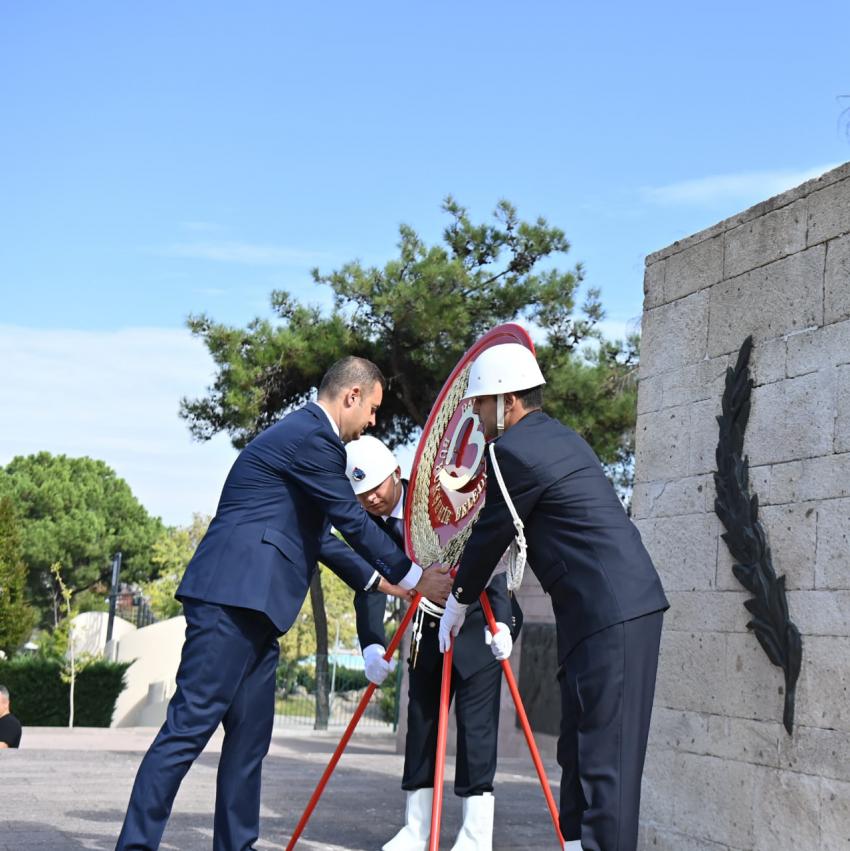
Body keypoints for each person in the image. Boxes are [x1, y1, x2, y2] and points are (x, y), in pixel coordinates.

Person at [116, 356, 452, 851]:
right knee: (187, 731)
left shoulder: (308, 443)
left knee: (249, 742)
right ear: (351, 396)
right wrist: (418, 578)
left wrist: (388, 585)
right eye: (374, 409)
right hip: (231, 602)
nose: (375, 422)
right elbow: (352, 522)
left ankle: (238, 845)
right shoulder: (312, 438)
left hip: (257, 612)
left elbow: (324, 540)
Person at [438, 343, 669, 851]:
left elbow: (490, 532)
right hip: (598, 611)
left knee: (606, 763)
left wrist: (457, 602)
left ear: (509, 400)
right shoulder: (557, 440)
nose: (475, 416)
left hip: (613, 611)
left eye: (480, 403)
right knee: (579, 750)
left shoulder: (513, 450)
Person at [321, 435, 521, 851]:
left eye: (376, 486)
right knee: (422, 724)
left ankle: (474, 836)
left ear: (397, 473)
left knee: (477, 728)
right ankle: (415, 828)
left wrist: (501, 620)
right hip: (427, 628)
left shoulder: (438, 502)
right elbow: (370, 584)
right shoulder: (367, 524)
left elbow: (489, 551)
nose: (371, 498)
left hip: (480, 622)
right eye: (360, 493)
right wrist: (371, 645)